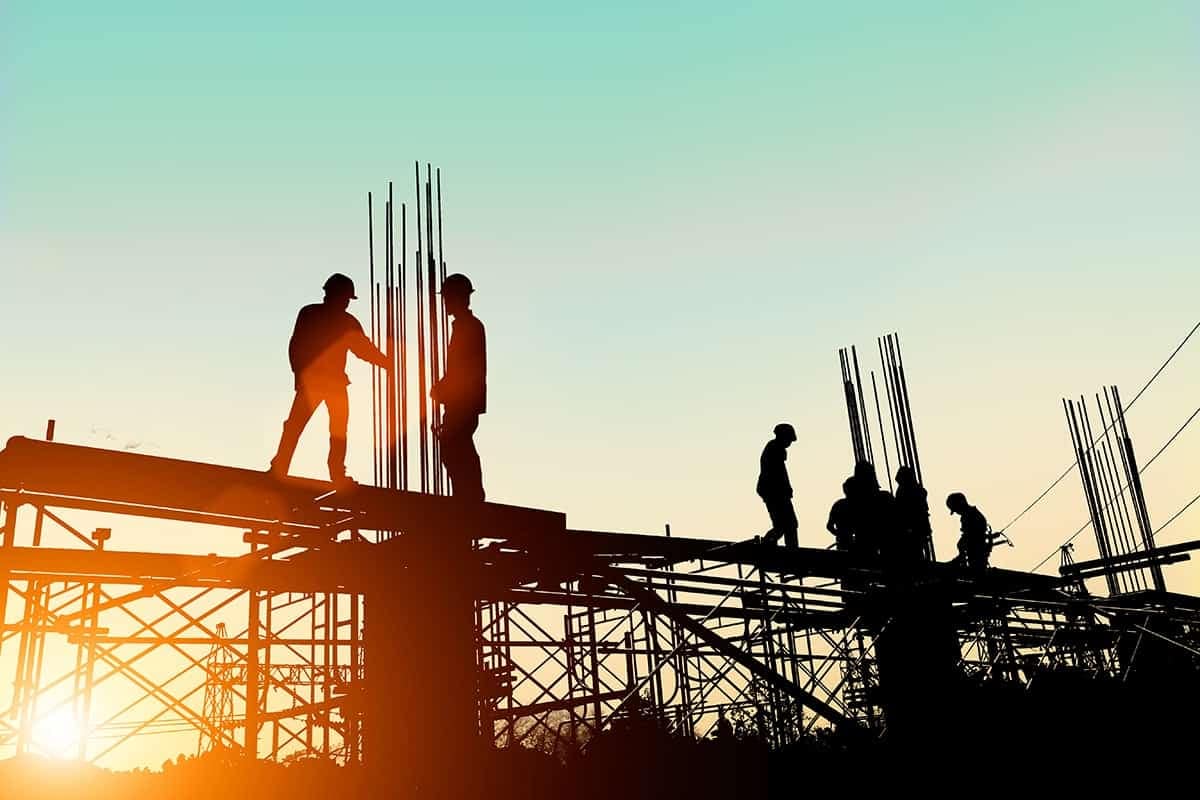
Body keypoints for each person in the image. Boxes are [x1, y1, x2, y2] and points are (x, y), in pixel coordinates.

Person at [270, 273, 389, 484]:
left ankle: (324, 472)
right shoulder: (318, 315)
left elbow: (363, 349)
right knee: (314, 428)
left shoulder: (332, 318)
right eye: (345, 298)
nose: (346, 303)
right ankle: (285, 468)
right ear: (335, 295)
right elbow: (297, 345)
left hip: (328, 382)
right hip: (320, 382)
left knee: (331, 429)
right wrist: (299, 374)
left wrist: (386, 363)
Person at [432, 273, 487, 501]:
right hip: (460, 401)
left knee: (456, 447)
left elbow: (465, 368)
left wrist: (443, 388)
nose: (445, 302)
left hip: (463, 402)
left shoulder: (469, 327)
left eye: (447, 298)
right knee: (454, 448)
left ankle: (470, 497)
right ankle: (466, 496)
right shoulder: (464, 326)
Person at [756, 423, 798, 548]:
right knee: (789, 524)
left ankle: (769, 544)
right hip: (774, 492)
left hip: (772, 491)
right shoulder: (775, 449)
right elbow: (779, 473)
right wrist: (786, 488)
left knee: (783, 525)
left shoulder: (773, 448)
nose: (790, 443)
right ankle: (790, 551)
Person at [894, 466, 932, 563]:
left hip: (911, 530)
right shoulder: (918, 490)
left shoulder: (905, 491)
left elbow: (903, 511)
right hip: (917, 529)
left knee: (914, 553)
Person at [947, 492, 990, 570]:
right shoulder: (971, 514)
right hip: (975, 553)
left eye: (955, 509)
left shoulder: (969, 516)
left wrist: (961, 554)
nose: (956, 512)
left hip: (976, 554)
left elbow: (969, 537)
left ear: (960, 504)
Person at [826, 478, 857, 552]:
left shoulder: (839, 504)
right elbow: (829, 526)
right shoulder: (840, 505)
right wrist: (842, 535)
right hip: (844, 543)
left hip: (846, 543)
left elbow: (829, 526)